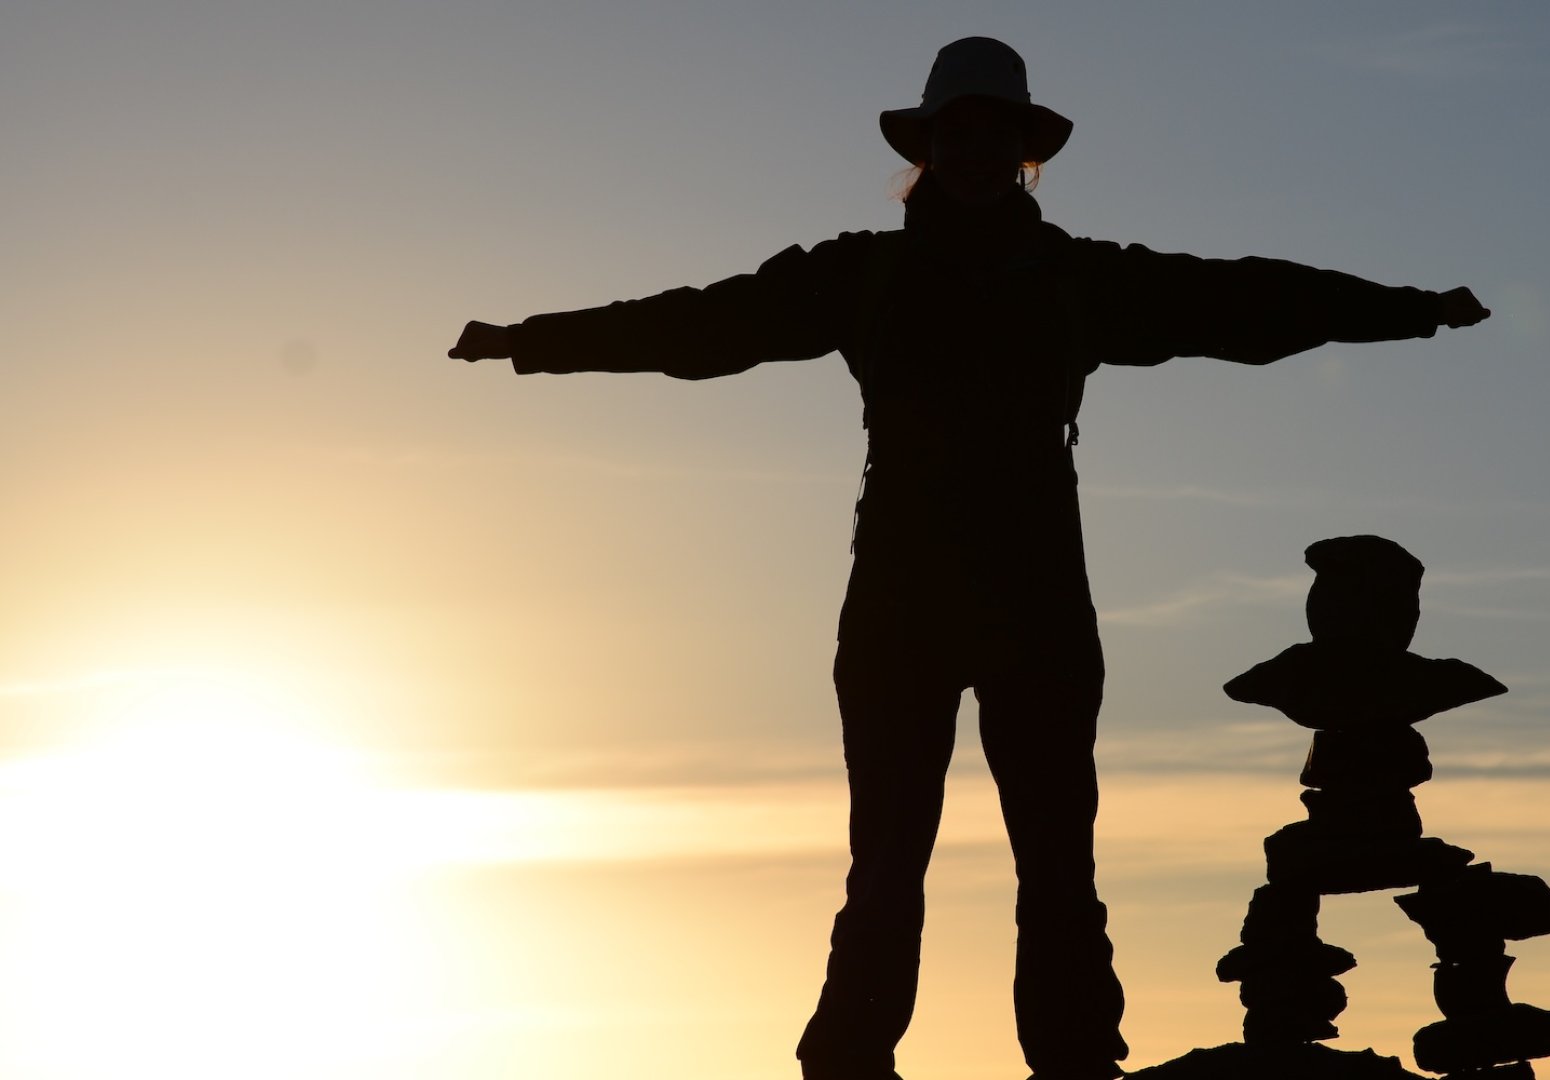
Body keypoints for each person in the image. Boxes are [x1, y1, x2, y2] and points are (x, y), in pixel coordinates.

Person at [450, 36, 1490, 1080]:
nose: (977, 150)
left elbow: (1244, 302)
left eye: (996, 134)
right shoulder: (864, 275)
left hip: (1036, 603)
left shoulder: (1078, 281)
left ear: (1024, 152)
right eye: (959, 132)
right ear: (930, 145)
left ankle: (1076, 1063)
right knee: (889, 861)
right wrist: (530, 339)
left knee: (1055, 862)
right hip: (902, 603)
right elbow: (706, 324)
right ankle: (852, 1060)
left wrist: (1409, 313)